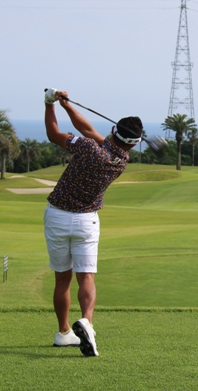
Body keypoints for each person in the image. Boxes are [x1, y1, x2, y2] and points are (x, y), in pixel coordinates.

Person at [43, 88, 143, 357]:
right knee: (86, 276)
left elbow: (54, 134)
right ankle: (87, 322)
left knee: (62, 279)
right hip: (87, 222)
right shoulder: (121, 159)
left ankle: (64, 332)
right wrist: (67, 106)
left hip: (58, 216)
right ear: (133, 144)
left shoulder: (88, 148)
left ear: (113, 131)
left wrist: (50, 103)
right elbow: (88, 130)